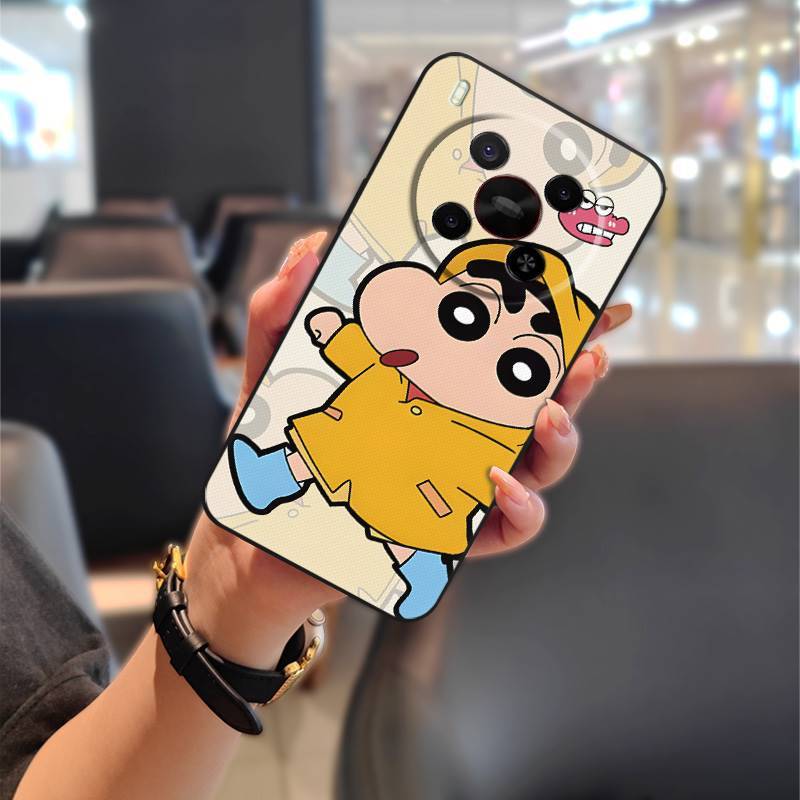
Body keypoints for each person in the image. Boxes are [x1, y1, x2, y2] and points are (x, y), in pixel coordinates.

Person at [3, 234, 628, 800]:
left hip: (422, 489)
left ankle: (405, 554)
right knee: (322, 450)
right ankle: (290, 483)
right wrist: (335, 336)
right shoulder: (390, 366)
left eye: (523, 365)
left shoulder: (470, 425)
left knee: (414, 522)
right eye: (463, 314)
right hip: (350, 445)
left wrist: (239, 592)